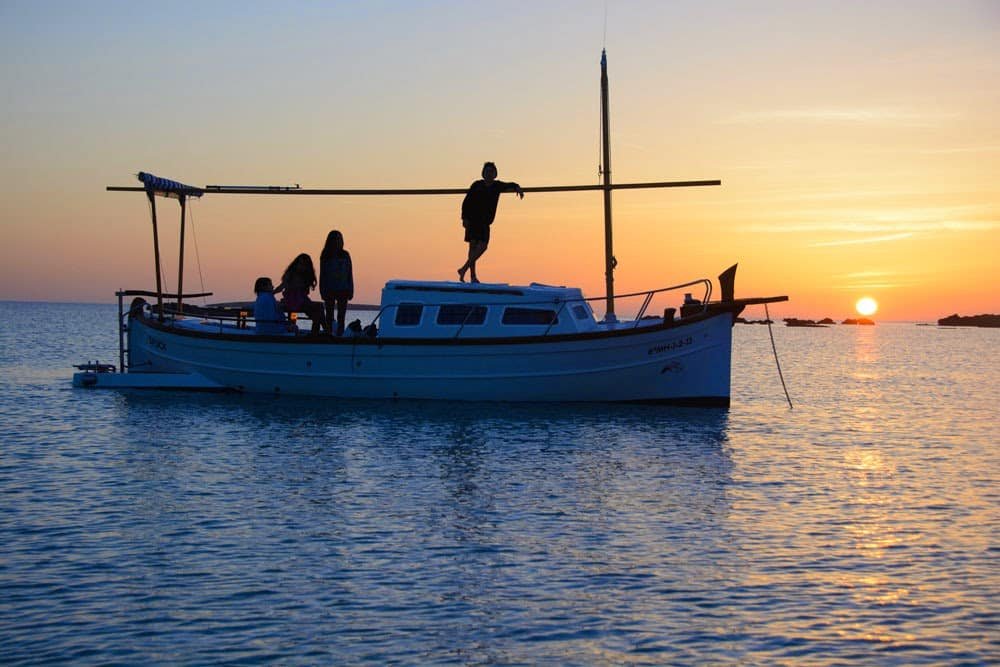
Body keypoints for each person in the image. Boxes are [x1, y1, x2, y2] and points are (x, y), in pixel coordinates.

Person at [457, 161, 523, 283]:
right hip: (472, 220)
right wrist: (464, 218)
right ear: (483, 173)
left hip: (485, 222)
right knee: (472, 248)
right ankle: (472, 276)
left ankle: (463, 269)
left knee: (482, 247)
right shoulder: (476, 185)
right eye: (487, 171)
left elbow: (510, 184)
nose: (489, 174)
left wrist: (517, 187)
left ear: (495, 174)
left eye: (492, 171)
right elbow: (466, 202)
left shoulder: (497, 185)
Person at [274, 253, 326, 334]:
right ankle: (324, 330)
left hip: (302, 299)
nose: (302, 266)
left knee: (318, 311)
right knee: (318, 308)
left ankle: (318, 332)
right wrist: (272, 293)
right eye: (300, 263)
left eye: (304, 265)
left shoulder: (306, 276)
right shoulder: (291, 274)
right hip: (292, 300)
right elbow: (282, 286)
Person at [319, 230, 354, 336]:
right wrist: (322, 290)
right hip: (329, 289)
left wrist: (351, 289)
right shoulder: (325, 255)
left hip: (343, 289)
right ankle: (329, 333)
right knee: (329, 315)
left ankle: (340, 334)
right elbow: (322, 273)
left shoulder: (345, 255)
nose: (338, 241)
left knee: (341, 315)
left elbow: (349, 273)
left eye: (340, 239)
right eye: (336, 239)